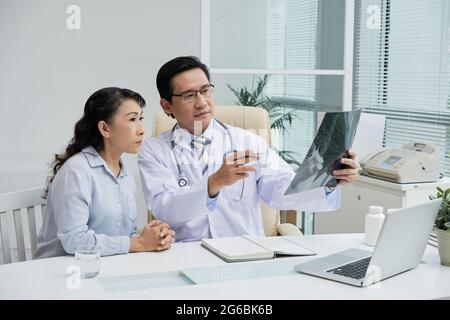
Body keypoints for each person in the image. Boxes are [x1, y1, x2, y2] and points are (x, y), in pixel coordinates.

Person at [138, 56, 361, 242]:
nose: (202, 102)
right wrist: (214, 182)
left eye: (206, 91)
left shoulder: (246, 140)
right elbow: (164, 209)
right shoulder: (154, 150)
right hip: (186, 256)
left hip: (244, 255)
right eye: (189, 95)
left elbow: (283, 191)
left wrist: (328, 180)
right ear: (167, 105)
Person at [34, 87, 175, 259]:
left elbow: (123, 236)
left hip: (104, 267)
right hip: (61, 272)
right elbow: (74, 240)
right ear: (105, 129)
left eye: (140, 119)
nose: (141, 129)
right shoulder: (76, 171)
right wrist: (138, 243)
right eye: (132, 119)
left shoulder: (125, 176)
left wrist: (154, 236)